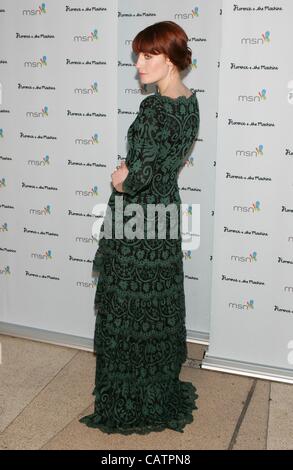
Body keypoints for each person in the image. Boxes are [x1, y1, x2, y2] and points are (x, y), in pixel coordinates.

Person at [79, 20, 200, 435]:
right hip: (164, 214)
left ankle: (131, 399)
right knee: (156, 304)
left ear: (170, 60)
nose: (139, 63)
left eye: (149, 55)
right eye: (137, 54)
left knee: (127, 309)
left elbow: (137, 176)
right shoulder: (189, 103)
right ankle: (157, 386)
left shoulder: (154, 107)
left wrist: (121, 176)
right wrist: (136, 169)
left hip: (137, 217)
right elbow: (166, 161)